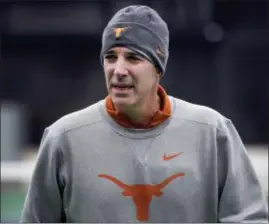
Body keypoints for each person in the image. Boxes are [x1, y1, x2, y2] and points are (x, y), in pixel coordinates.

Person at [20, 5, 268, 223]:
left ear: (158, 68)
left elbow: (247, 217)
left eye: (133, 57)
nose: (118, 70)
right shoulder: (63, 138)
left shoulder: (212, 132)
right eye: (110, 57)